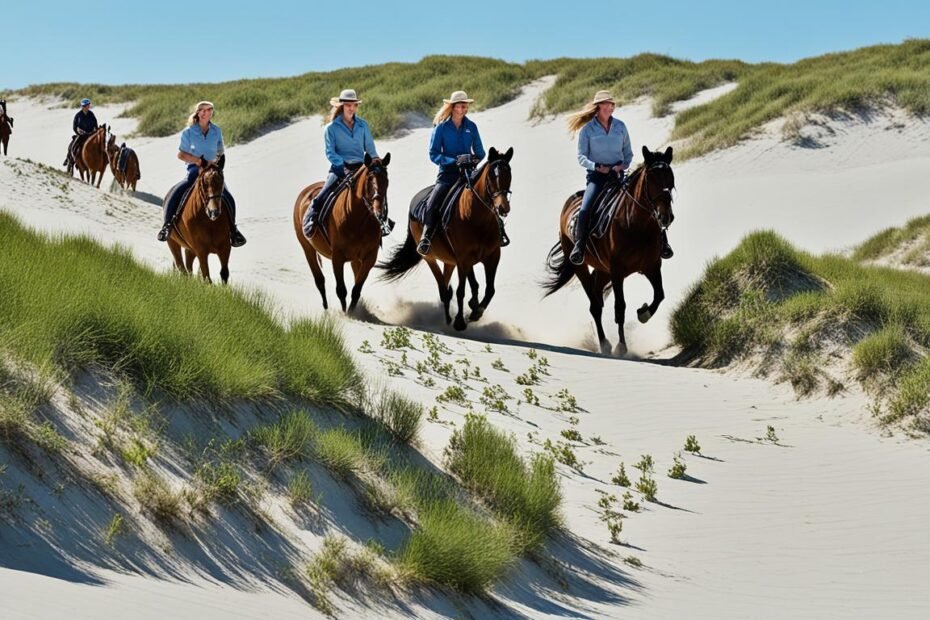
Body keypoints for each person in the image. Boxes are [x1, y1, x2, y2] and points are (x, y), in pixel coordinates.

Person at [567, 90, 673, 265]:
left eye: (612, 104)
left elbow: (628, 154)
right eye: (607, 104)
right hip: (597, 177)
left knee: (648, 200)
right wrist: (596, 167)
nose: (611, 107)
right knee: (585, 209)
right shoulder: (587, 130)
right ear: (599, 107)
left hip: (618, 174)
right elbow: (581, 157)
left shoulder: (620, 127)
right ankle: (579, 246)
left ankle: (663, 242)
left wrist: (621, 166)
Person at [157, 101, 246, 247]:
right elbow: (181, 154)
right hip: (194, 168)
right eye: (202, 110)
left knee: (227, 195)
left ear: (212, 112)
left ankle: (233, 231)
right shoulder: (189, 132)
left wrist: (215, 164)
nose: (206, 112)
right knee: (178, 190)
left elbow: (220, 152)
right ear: (198, 113)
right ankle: (167, 226)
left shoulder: (216, 131)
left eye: (209, 110)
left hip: (211, 169)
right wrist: (197, 161)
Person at [303, 88, 381, 237]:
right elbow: (330, 152)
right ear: (341, 106)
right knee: (324, 193)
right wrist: (342, 164)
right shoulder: (331, 128)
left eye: (354, 105)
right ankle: (311, 216)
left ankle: (382, 222)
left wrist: (376, 160)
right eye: (347, 105)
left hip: (361, 167)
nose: (351, 108)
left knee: (377, 190)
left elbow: (370, 149)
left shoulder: (363, 125)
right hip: (339, 168)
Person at [417, 90, 486, 256]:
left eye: (464, 106)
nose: (461, 109)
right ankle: (426, 237)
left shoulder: (471, 127)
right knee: (432, 203)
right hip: (447, 175)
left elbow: (481, 153)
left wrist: (471, 159)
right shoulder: (441, 128)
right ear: (452, 107)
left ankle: (498, 230)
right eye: (458, 106)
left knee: (488, 197)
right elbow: (434, 154)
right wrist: (454, 161)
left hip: (469, 174)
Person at [63, 98, 98, 167]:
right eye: (84, 106)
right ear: (82, 106)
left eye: (87, 105)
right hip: (81, 135)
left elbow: (95, 125)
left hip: (90, 135)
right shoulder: (78, 115)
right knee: (72, 144)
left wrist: (94, 129)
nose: (85, 107)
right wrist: (78, 131)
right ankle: (69, 158)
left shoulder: (91, 114)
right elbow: (74, 126)